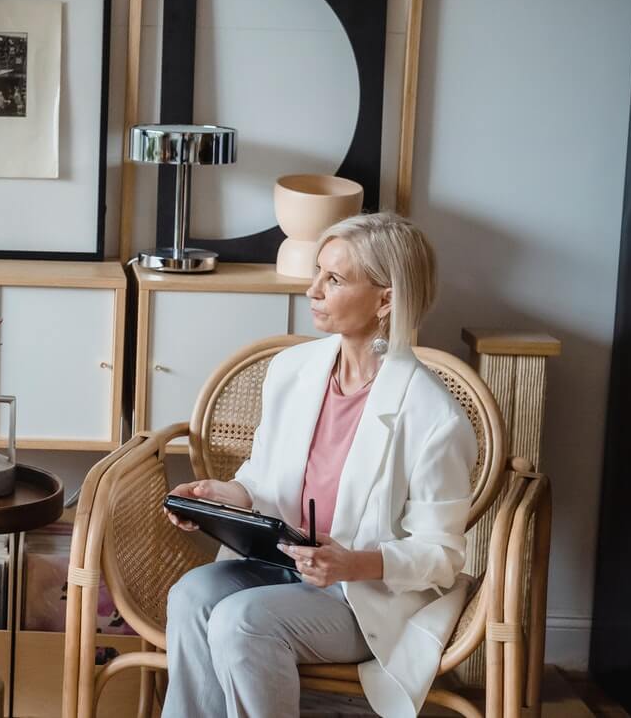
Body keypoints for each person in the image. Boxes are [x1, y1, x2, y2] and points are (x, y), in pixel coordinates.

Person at [162, 212, 476, 718]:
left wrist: (354, 562)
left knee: (242, 621)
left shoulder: (435, 416)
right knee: (192, 594)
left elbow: (441, 555)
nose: (313, 290)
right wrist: (224, 497)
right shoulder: (292, 371)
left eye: (334, 279)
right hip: (281, 566)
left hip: (362, 596)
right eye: (318, 273)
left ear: (386, 299)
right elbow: (261, 479)